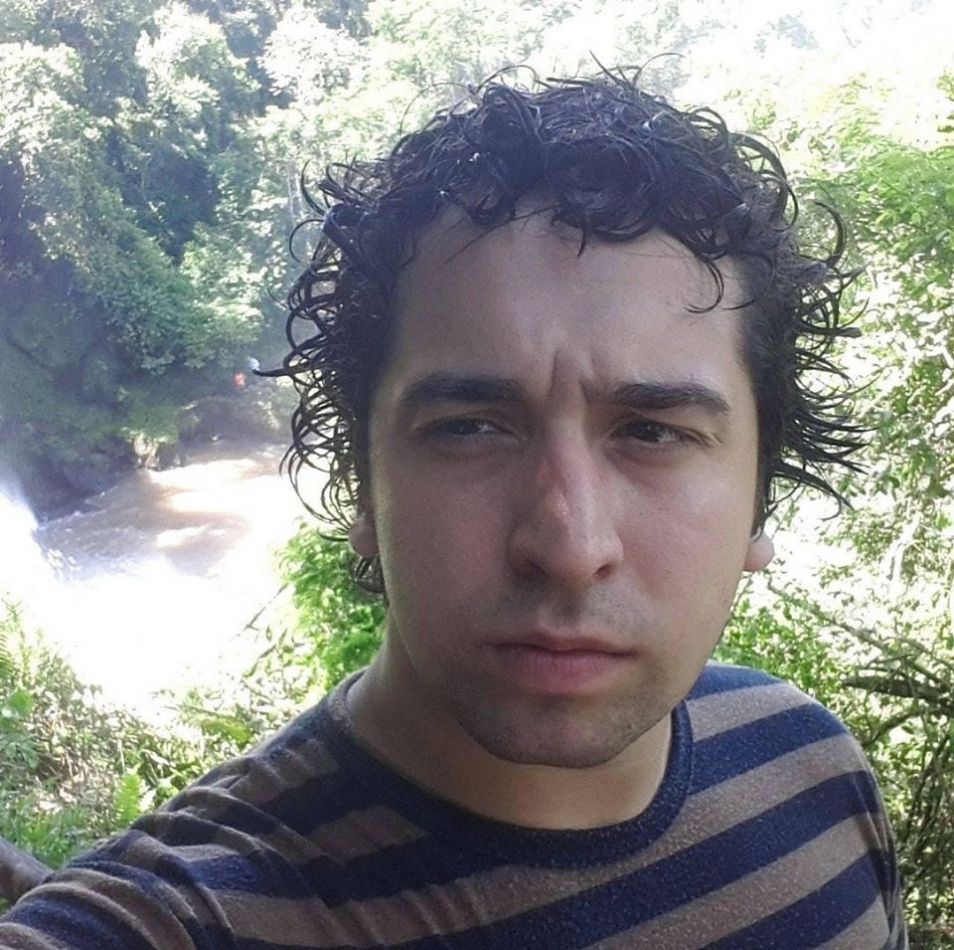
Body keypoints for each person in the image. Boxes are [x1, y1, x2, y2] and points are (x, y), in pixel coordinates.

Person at [0, 70, 907, 949]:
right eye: (471, 427)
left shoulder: (812, 770)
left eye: (653, 433)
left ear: (758, 497)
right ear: (361, 481)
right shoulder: (178, 918)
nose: (569, 544)